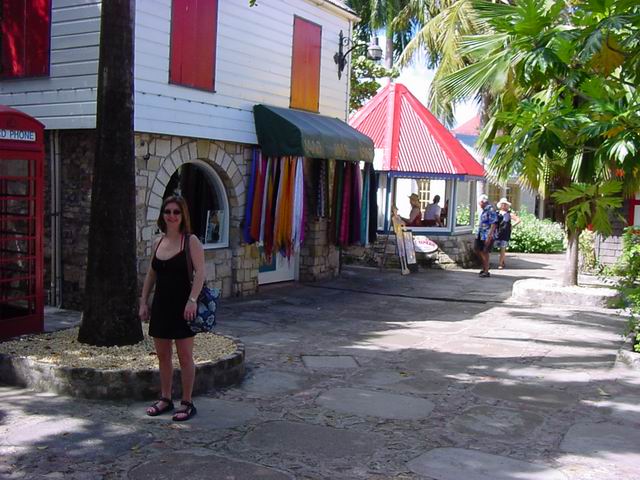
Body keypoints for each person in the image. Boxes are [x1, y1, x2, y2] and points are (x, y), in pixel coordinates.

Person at [139, 195, 205, 421]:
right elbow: (151, 274)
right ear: (162, 215)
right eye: (167, 211)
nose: (172, 216)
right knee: (163, 356)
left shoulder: (191, 241)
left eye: (176, 212)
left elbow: (200, 273)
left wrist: (192, 300)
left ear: (183, 215)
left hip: (184, 307)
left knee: (185, 356)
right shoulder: (158, 242)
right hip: (161, 306)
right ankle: (165, 398)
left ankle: (187, 402)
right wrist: (143, 301)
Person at [474, 194, 498, 277]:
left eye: (479, 203)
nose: (479, 205)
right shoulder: (484, 210)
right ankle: (484, 267)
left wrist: (489, 236)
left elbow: (493, 224)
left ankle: (486, 270)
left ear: (482, 202)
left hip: (486, 234)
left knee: (485, 252)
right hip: (480, 234)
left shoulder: (490, 210)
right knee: (478, 249)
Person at [495, 197, 521, 269]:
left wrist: (512, 226)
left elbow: (518, 220)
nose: (504, 205)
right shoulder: (497, 213)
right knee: (498, 248)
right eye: (502, 204)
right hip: (497, 233)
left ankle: (500, 264)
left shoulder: (509, 214)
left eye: (505, 204)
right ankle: (502, 261)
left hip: (505, 233)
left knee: (502, 249)